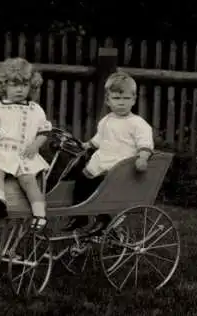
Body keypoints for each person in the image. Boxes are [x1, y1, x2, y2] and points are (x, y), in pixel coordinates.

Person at [62, 71, 154, 233]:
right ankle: (79, 215)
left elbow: (145, 144)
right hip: (102, 161)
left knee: (102, 190)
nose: (121, 103)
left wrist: (143, 158)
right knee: (81, 181)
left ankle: (103, 219)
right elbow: (98, 139)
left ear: (133, 100)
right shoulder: (106, 120)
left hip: (120, 166)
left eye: (126, 99)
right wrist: (86, 145)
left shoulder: (138, 123)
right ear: (108, 100)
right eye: (117, 98)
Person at [0, 57, 52, 232]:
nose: (20, 89)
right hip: (3, 151)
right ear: (3, 86)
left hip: (25, 154)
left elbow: (44, 131)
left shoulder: (35, 109)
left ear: (31, 86)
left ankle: (40, 215)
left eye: (24, 85)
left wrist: (35, 145)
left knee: (29, 181)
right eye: (14, 85)